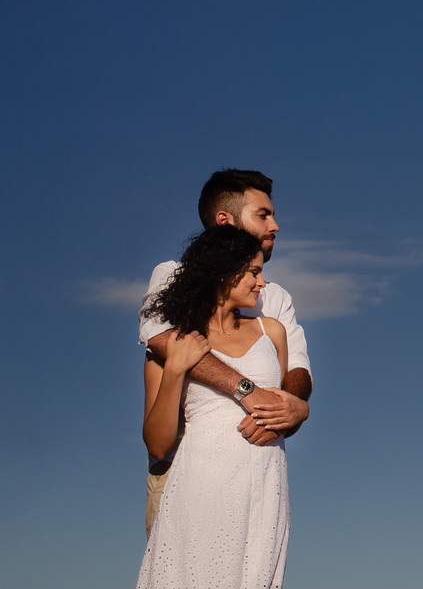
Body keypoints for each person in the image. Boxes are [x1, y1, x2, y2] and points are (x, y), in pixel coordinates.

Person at [139, 169, 312, 537]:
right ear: (225, 220)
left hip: (259, 473)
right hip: (182, 472)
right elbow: (163, 341)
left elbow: (297, 372)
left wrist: (293, 410)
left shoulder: (276, 300)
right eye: (263, 214)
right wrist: (246, 391)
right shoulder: (172, 277)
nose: (276, 225)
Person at [137, 226, 290, 588]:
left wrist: (295, 413)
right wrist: (176, 367)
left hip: (265, 489)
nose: (262, 282)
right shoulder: (175, 342)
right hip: (200, 490)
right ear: (222, 271)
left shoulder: (273, 332)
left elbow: (283, 407)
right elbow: (158, 445)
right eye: (253, 271)